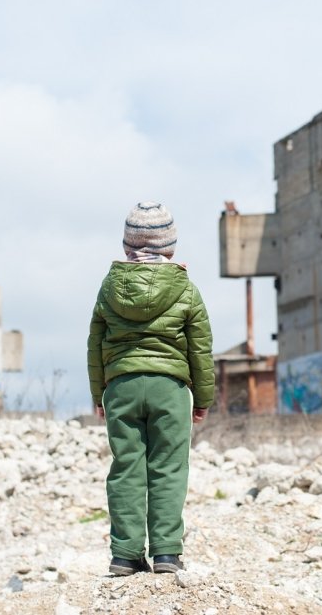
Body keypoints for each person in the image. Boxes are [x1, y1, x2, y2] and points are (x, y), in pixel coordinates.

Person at [87, 201, 215, 576]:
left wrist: (100, 394)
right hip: (169, 388)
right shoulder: (186, 289)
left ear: (128, 246)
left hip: (121, 385)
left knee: (126, 467)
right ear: (170, 247)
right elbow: (200, 349)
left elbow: (95, 344)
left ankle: (125, 556)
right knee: (168, 467)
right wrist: (203, 399)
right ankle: (166, 554)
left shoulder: (109, 287)